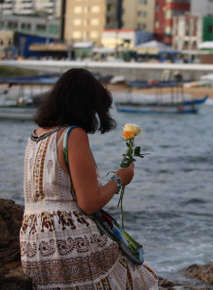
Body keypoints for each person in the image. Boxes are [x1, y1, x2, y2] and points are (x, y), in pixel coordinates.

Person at [20, 68, 159, 289]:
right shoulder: (72, 135)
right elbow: (89, 202)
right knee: (142, 277)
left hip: (32, 243)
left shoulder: (35, 136)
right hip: (66, 239)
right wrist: (121, 178)